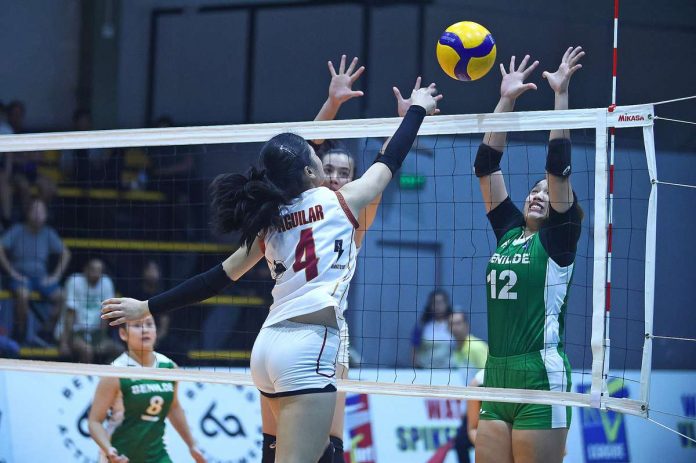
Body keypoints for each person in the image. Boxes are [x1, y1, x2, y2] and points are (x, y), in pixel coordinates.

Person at [101, 82, 440, 462]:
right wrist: (417, 110)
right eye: (317, 156)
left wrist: (146, 305)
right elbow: (389, 161)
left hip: (267, 347)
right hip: (309, 343)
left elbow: (211, 280)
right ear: (313, 173)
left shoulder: (269, 222)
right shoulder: (342, 201)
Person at [259, 54, 383, 463]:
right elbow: (299, 151)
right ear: (314, 171)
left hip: (327, 329)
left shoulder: (350, 211)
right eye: (328, 168)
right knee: (274, 438)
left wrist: (396, 129)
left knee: (328, 438)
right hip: (282, 325)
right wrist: (331, 105)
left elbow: (382, 174)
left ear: (353, 179)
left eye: (344, 172)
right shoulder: (294, 203)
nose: (334, 176)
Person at [472, 47, 585, 463]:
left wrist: (560, 94)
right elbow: (485, 166)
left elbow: (558, 168)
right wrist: (507, 99)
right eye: (532, 190)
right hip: (497, 371)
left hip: (541, 373)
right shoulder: (508, 231)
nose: (539, 194)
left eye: (545, 192)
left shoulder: (559, 239)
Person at [88, 315, 205, 462]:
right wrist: (108, 450)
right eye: (137, 326)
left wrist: (191, 444)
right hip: (120, 455)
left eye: (150, 324)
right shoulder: (115, 372)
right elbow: (94, 421)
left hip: (157, 454)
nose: (145, 330)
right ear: (123, 334)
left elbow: (173, 407)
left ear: (156, 331)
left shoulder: (169, 367)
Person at [0, 198, 70, 345]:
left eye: (41, 211)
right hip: (21, 277)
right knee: (23, 295)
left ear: (46, 215)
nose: (38, 215)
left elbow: (66, 253)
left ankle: (45, 331)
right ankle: (21, 333)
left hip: (41, 278)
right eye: (35, 211)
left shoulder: (48, 233)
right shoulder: (17, 230)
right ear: (28, 213)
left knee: (63, 297)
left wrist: (55, 276)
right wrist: (12, 272)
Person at [58, 258, 121, 363]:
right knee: (87, 351)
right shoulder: (74, 281)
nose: (96, 273)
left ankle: (107, 375)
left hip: (95, 333)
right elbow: (70, 314)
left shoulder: (106, 282)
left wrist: (101, 338)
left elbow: (106, 313)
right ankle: (83, 379)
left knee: (119, 350)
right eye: (93, 269)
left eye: (99, 270)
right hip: (74, 333)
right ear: (85, 270)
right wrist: (64, 343)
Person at [449, 311, 488, 463]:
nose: (455, 327)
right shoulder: (457, 351)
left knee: (465, 443)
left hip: (486, 402)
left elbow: (490, 374)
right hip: (473, 402)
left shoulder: (476, 347)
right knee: (461, 444)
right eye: (451, 324)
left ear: (466, 325)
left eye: (458, 323)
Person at [411, 289, 454, 368]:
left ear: (447, 304)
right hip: (426, 369)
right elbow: (414, 348)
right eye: (434, 303)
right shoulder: (422, 325)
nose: (438, 306)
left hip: (449, 370)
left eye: (440, 302)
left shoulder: (454, 323)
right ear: (430, 305)